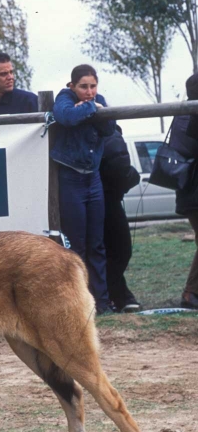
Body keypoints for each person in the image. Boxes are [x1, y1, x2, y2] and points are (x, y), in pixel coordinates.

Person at [52, 64, 115, 315]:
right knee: (75, 245)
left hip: (93, 179)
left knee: (97, 243)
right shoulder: (64, 98)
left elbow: (109, 128)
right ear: (72, 86)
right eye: (83, 87)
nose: (89, 92)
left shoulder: (97, 101)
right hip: (71, 178)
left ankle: (101, 301)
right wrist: (93, 109)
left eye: (92, 86)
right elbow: (65, 116)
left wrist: (88, 109)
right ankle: (78, 302)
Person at [100, 126, 141, 312]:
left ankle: (120, 296)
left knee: (104, 250)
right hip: (108, 198)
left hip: (95, 195)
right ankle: (111, 295)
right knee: (120, 251)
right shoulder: (111, 133)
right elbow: (120, 169)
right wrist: (134, 177)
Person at [168, 72, 198, 308]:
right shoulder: (192, 116)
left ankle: (191, 293)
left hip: (189, 191)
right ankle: (190, 294)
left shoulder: (183, 113)